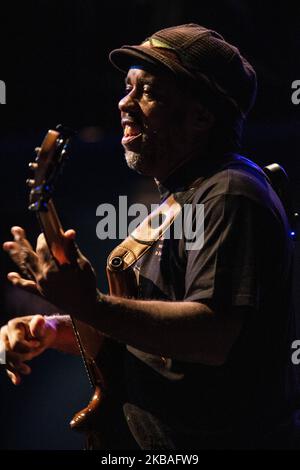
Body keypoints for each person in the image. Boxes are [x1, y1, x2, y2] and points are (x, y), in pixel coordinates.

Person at [0, 24, 296, 449]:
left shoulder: (231, 193)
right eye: (127, 87)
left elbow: (212, 336)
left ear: (201, 116)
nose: (125, 102)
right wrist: (52, 327)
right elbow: (151, 341)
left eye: (149, 91)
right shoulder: (183, 198)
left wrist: (89, 303)